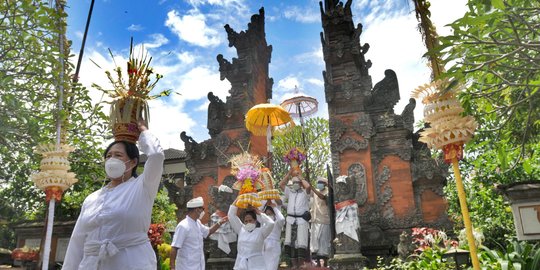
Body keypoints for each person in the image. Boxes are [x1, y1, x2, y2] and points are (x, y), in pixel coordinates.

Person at [63, 121, 164, 270]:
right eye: (108, 156)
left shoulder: (142, 187)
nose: (112, 160)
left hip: (131, 263)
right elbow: (77, 241)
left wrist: (143, 130)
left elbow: (156, 155)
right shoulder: (92, 198)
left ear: (133, 162)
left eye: (118, 155)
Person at [170, 197, 228, 270]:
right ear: (197, 210)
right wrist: (172, 267)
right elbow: (174, 247)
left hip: (198, 266)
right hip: (186, 267)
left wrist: (220, 222)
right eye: (202, 209)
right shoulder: (183, 226)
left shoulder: (198, 223)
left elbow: (208, 232)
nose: (203, 212)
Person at [279, 169, 311, 268]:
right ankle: (294, 265)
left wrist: (300, 177)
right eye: (294, 183)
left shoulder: (305, 193)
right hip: (290, 220)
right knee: (291, 243)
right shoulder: (290, 192)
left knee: (301, 243)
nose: (295, 184)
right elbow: (281, 184)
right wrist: (289, 173)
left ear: (301, 184)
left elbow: (308, 186)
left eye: (297, 183)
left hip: (301, 221)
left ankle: (301, 264)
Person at [228, 199, 274, 270]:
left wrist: (259, 212)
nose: (248, 222)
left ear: (255, 221)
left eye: (250, 220)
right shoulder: (241, 229)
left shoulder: (261, 232)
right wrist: (239, 198)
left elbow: (271, 223)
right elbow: (231, 214)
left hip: (257, 265)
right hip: (241, 264)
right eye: (246, 221)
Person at [310, 177, 331, 267]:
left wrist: (313, 188)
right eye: (318, 182)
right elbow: (307, 187)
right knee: (316, 241)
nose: (319, 184)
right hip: (315, 219)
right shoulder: (315, 192)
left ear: (325, 184)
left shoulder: (328, 192)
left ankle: (325, 262)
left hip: (325, 220)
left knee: (324, 241)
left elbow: (322, 197)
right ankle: (318, 262)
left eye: (321, 183)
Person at [262, 200, 285, 270]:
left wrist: (274, 207)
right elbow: (258, 214)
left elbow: (282, 219)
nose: (268, 215)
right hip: (264, 245)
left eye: (270, 213)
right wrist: (265, 203)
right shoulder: (263, 221)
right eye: (267, 214)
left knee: (272, 266)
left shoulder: (278, 221)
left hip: (274, 245)